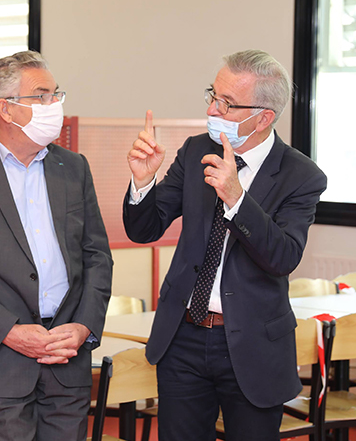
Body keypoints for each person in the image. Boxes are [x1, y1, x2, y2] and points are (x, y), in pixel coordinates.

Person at [122, 50, 327, 440]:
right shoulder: (197, 150)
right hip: (183, 336)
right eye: (213, 96)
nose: (214, 109)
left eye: (228, 104)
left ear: (263, 117)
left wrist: (237, 200)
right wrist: (142, 183)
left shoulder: (301, 176)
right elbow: (145, 229)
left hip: (253, 346)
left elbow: (283, 257)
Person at [0, 51, 113, 441]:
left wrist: (83, 327)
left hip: (67, 356)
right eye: (42, 96)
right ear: (6, 109)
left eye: (56, 94)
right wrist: (10, 332)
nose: (54, 105)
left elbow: (96, 256)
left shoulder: (73, 167)